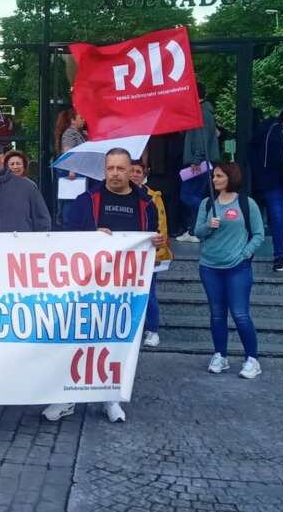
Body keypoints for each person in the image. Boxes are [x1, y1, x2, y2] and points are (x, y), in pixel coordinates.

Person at [43, 148, 165, 424]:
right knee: (76, 339)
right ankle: (67, 396)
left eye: (120, 169)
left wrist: (154, 245)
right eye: (110, 168)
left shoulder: (145, 203)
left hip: (125, 286)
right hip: (87, 284)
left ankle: (111, 397)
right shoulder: (86, 201)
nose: (115, 174)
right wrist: (90, 237)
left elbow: (151, 244)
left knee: (116, 341)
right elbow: (66, 237)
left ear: (131, 170)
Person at [195, 162, 265, 378]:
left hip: (237, 268)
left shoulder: (246, 203)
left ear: (230, 177)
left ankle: (252, 359)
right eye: (214, 176)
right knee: (217, 314)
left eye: (219, 176)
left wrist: (244, 254)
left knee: (240, 314)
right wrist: (209, 226)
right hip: (209, 266)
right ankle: (220, 355)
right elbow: (197, 232)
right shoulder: (207, 204)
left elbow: (259, 234)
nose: (214, 179)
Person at [130, 159, 174, 348]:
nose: (134, 174)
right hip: (128, 254)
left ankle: (153, 330)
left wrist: (159, 252)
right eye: (131, 171)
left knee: (149, 293)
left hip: (148, 253)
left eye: (138, 171)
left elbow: (161, 227)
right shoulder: (119, 194)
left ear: (144, 173)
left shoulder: (153, 197)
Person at [248, 98, 283, 271]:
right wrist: (260, 169)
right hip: (272, 180)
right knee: (277, 215)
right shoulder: (270, 126)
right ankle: (280, 255)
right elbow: (252, 146)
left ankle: (282, 244)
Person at [177, 83, 220, 243]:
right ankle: (194, 231)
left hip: (198, 163)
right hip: (201, 162)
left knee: (187, 195)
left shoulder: (201, 113)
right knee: (193, 194)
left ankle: (210, 212)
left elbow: (202, 139)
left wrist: (196, 160)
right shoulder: (205, 112)